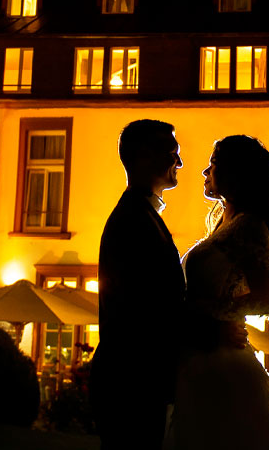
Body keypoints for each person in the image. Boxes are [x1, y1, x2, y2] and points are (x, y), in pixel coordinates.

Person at [164, 135, 269, 450]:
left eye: (213, 164)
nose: (205, 172)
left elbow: (267, 301)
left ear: (234, 172)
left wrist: (204, 311)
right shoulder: (224, 222)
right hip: (202, 355)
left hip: (221, 363)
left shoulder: (249, 226)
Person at [90, 120, 186, 450]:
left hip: (133, 382)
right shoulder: (134, 220)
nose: (180, 162)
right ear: (146, 157)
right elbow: (145, 308)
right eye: (173, 152)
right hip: (133, 384)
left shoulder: (140, 214)